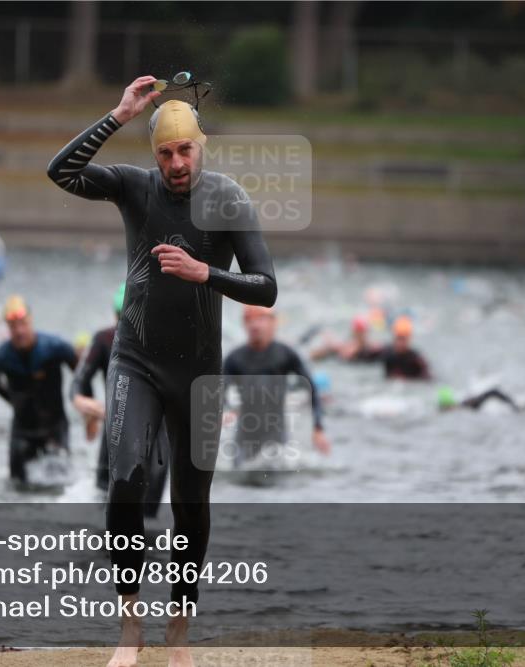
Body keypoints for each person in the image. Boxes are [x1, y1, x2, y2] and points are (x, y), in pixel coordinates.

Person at [47, 76, 276, 667]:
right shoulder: (134, 187)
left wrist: (207, 274)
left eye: (186, 150)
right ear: (154, 155)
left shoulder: (228, 200)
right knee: (124, 480)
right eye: (166, 153)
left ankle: (179, 625)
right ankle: (130, 625)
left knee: (190, 503)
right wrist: (118, 115)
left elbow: (266, 287)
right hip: (137, 360)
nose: (176, 163)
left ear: (202, 146)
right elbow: (61, 172)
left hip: (199, 373)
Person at [72, 284, 169, 517]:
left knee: (149, 517)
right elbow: (79, 382)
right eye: (121, 317)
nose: (125, 325)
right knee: (103, 507)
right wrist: (84, 405)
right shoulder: (105, 339)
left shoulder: (165, 340)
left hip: (157, 436)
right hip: (115, 430)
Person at [0, 295, 78, 483]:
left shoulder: (55, 347)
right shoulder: (0, 357)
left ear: (31, 321)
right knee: (16, 484)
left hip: (54, 427)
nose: (19, 331)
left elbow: (81, 372)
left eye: (23, 324)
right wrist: (12, 399)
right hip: (23, 430)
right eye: (13, 327)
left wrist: (81, 399)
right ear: (8, 328)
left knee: (62, 482)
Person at [223, 305, 330, 465]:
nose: (254, 325)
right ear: (244, 324)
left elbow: (312, 389)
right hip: (244, 437)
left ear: (273, 323)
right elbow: (218, 392)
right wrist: (226, 411)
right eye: (249, 320)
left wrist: (318, 428)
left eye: (260, 319)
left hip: (276, 436)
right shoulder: (234, 359)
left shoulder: (286, 354)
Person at [309, 314, 384, 362]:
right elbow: (343, 353)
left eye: (362, 332)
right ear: (354, 332)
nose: (361, 335)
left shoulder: (372, 346)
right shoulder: (347, 346)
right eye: (359, 332)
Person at [381, 316, 431, 380]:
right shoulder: (387, 353)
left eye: (403, 339)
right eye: (398, 338)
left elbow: (428, 377)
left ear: (408, 340)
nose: (400, 343)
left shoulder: (415, 359)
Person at [437, 385, 519, 412]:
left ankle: (514, 405)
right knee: (494, 392)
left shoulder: (456, 406)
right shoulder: (455, 408)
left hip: (473, 403)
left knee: (494, 392)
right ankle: (514, 405)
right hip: (473, 404)